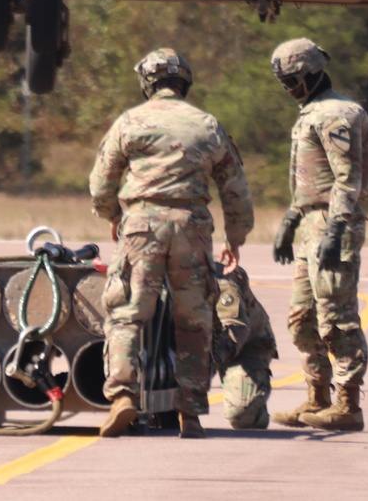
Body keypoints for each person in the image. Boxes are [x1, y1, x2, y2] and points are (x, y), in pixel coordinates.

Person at [89, 47, 254, 440]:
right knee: (194, 320)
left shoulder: (131, 121)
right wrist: (235, 237)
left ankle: (123, 395)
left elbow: (100, 183)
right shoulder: (207, 125)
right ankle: (191, 412)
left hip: (142, 224)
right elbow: (236, 189)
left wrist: (114, 215)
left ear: (148, 83)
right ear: (185, 83)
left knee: (126, 312)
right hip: (192, 227)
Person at [269, 36, 368, 433]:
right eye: (284, 84)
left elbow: (348, 180)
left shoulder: (336, 114)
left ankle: (347, 404)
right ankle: (317, 397)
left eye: (293, 82)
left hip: (335, 225)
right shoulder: (311, 112)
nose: (289, 90)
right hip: (311, 224)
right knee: (302, 319)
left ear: (313, 74)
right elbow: (313, 179)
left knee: (337, 317)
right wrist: (290, 220)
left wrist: (334, 229)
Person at [212, 264, 278, 429]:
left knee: (242, 415)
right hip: (188, 343)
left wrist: (208, 364)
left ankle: (256, 407)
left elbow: (236, 329)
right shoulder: (152, 275)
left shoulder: (221, 278)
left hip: (245, 345)